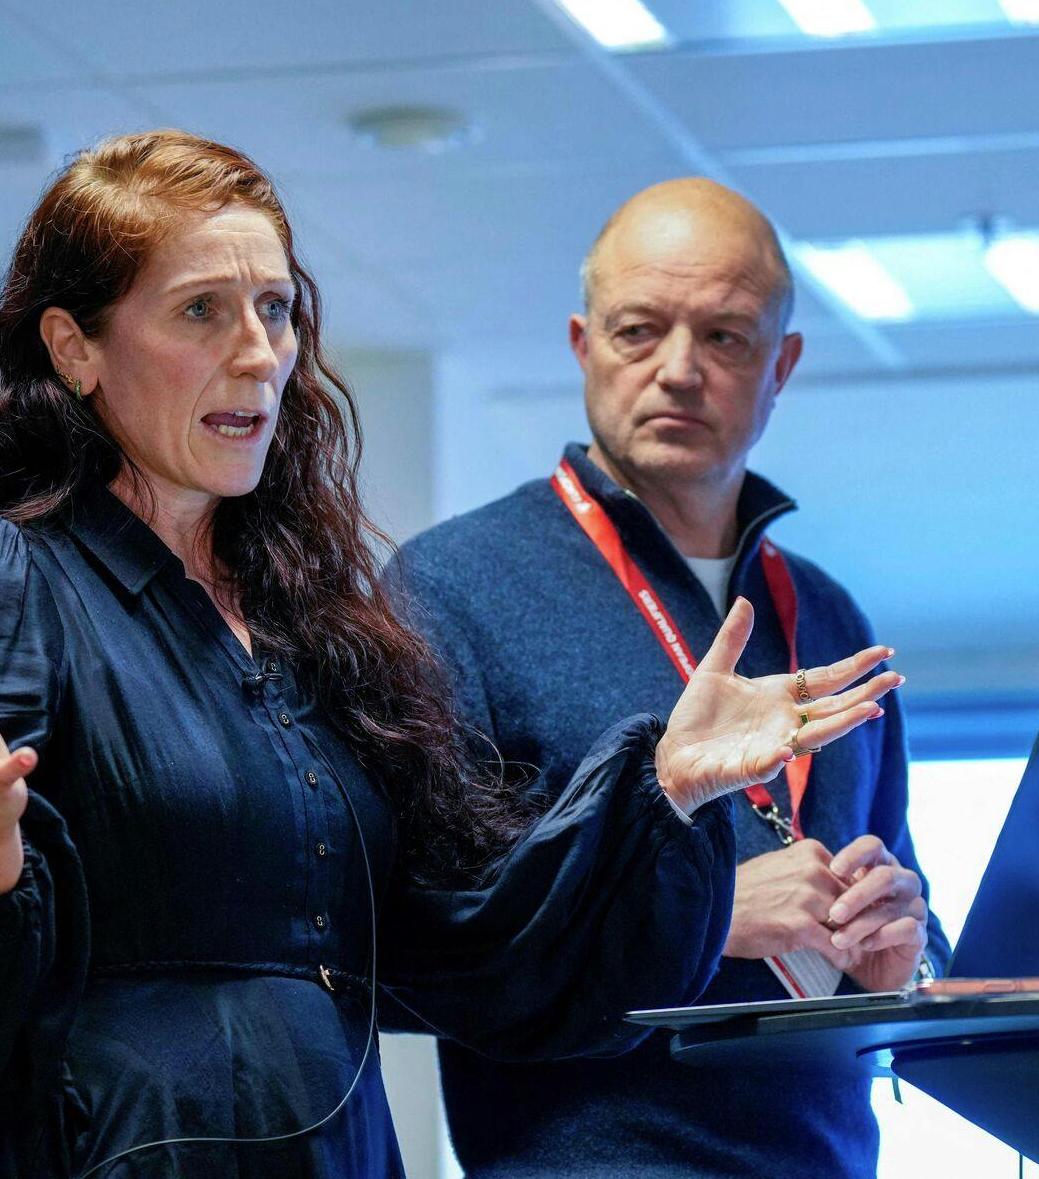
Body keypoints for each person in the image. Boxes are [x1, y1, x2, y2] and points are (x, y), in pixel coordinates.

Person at [0, 134, 904, 1178]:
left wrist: (662, 784)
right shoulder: (2, 579)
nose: (257, 353)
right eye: (201, 310)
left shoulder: (310, 624)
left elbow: (466, 941)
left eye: (275, 309)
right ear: (74, 347)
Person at [391, 177, 950, 1179]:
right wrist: (705, 914)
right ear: (584, 346)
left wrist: (898, 952)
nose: (679, 370)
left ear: (781, 366)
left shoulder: (827, 615)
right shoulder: (452, 586)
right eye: (639, 330)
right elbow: (418, 946)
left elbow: (902, 929)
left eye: (725, 337)